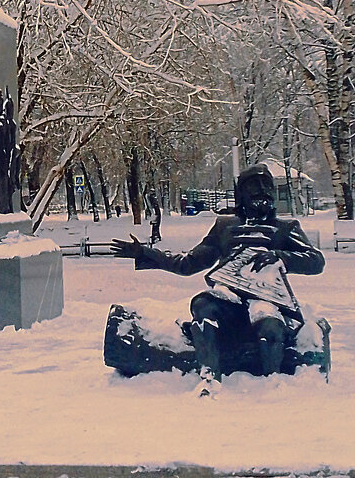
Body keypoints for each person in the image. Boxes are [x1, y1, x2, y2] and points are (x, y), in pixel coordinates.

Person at [111, 164, 324, 390]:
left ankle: (271, 385)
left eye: (266, 185)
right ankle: (209, 378)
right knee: (203, 305)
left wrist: (282, 257)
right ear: (241, 194)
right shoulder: (225, 226)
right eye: (254, 185)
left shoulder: (286, 228)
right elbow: (189, 263)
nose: (262, 190)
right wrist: (145, 252)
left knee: (270, 325)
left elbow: (315, 260)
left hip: (267, 301)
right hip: (228, 301)